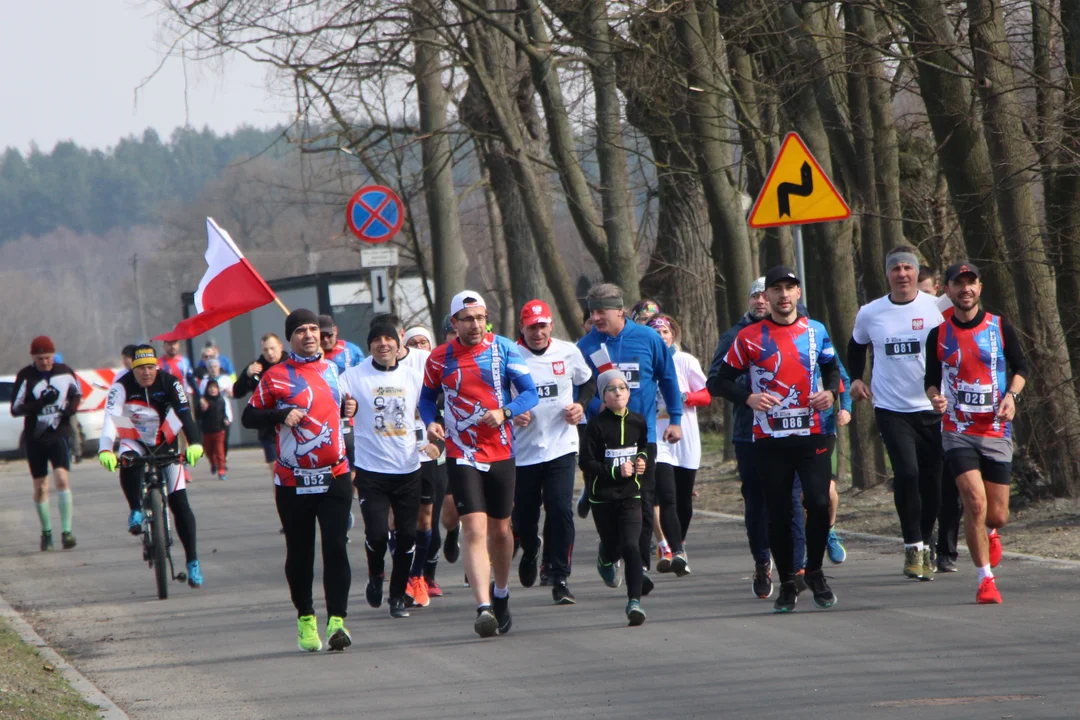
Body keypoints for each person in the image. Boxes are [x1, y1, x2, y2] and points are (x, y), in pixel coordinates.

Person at [712, 266, 842, 614]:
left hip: (813, 431)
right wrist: (749, 398)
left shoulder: (815, 331)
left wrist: (831, 393)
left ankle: (814, 571)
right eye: (776, 289)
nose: (783, 295)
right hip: (769, 438)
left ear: (798, 293)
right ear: (766, 296)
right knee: (779, 512)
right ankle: (786, 582)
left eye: (789, 288)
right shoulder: (749, 336)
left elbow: (832, 369)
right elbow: (719, 382)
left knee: (818, 502)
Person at [419, 291, 539, 637]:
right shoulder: (440, 358)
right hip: (462, 453)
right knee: (474, 529)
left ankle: (501, 592)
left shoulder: (504, 349)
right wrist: (431, 422)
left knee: (500, 531)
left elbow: (530, 393)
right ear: (454, 323)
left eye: (480, 318)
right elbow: (426, 398)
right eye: (468, 319)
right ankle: (483, 607)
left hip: (501, 451)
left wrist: (505, 412)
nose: (475, 325)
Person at [242, 309, 357, 652]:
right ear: (289, 338)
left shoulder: (334, 370)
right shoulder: (276, 376)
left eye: (313, 329)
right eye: (301, 330)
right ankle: (306, 617)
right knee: (300, 551)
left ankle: (337, 621)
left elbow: (337, 409)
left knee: (336, 546)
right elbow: (249, 416)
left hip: (335, 474)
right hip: (293, 480)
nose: (308, 335)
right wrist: (279, 413)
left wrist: (349, 408)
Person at [925, 262, 1027, 604]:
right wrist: (935, 398)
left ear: (979, 288)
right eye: (958, 283)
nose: (965, 289)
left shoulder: (999, 326)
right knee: (974, 502)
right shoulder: (938, 334)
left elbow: (1021, 368)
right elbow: (930, 380)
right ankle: (985, 580)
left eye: (971, 283)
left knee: (996, 514)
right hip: (957, 430)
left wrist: (1012, 396)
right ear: (948, 290)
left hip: (995, 429)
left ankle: (992, 531)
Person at [577, 284, 683, 592]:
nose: (595, 317)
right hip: (603, 441)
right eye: (592, 312)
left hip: (642, 437)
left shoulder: (647, 338)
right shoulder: (585, 346)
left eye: (602, 311)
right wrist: (593, 408)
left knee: (643, 502)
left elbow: (667, 377)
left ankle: (640, 567)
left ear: (620, 310)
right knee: (610, 511)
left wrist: (675, 419)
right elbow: (578, 391)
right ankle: (608, 554)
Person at [848, 247, 945, 581]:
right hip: (891, 408)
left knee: (932, 481)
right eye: (896, 269)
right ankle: (912, 547)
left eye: (908, 268)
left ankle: (927, 541)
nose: (902, 274)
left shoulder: (937, 307)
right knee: (907, 473)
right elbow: (856, 345)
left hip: (932, 407)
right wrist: (856, 378)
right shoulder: (871, 312)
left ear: (917, 273)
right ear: (887, 274)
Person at [97, 345, 205, 587]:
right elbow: (110, 419)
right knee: (127, 459)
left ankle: (193, 561)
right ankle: (135, 508)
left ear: (156, 367)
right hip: (134, 438)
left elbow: (185, 414)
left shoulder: (170, 382)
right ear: (132, 369)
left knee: (180, 503)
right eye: (140, 369)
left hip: (165, 440)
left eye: (150, 367)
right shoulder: (121, 386)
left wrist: (196, 443)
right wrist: (105, 449)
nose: (146, 373)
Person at [340, 323, 426, 618]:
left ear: (399, 345)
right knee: (377, 535)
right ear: (370, 346)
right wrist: (345, 407)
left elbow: (429, 410)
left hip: (408, 469)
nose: (383, 344)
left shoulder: (413, 377)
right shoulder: (354, 376)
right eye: (376, 339)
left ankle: (398, 596)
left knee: (407, 537)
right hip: (371, 470)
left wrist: (434, 437)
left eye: (389, 338)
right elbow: (335, 402)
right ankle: (376, 575)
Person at [511, 299, 595, 605]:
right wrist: (511, 412)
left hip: (561, 444)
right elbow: (495, 394)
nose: (537, 333)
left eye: (542, 326)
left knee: (560, 509)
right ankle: (531, 547)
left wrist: (580, 406)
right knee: (524, 516)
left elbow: (589, 382)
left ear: (551, 325)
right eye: (531, 327)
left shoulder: (567, 352)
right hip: (524, 449)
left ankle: (560, 577)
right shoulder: (510, 355)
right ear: (521, 328)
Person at [582, 370, 650, 626]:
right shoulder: (596, 426)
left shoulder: (638, 421)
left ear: (629, 393)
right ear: (604, 396)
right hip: (603, 497)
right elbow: (586, 462)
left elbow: (644, 446)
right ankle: (605, 557)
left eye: (622, 387)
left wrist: (641, 460)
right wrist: (614, 471)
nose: (618, 392)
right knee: (614, 548)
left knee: (631, 546)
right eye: (611, 389)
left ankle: (634, 602)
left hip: (631, 495)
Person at [645, 314, 709, 577]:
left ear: (673, 335)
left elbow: (706, 394)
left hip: (685, 436)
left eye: (665, 332)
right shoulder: (643, 362)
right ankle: (674, 549)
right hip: (658, 438)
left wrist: (685, 397)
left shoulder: (685, 361)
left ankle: (677, 542)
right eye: (655, 332)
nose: (661, 337)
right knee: (667, 496)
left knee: (684, 499)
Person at [11, 336, 82, 551]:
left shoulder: (64, 371)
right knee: (41, 487)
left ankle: (67, 532)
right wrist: (41, 402)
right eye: (40, 358)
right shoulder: (26, 376)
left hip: (59, 433)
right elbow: (15, 409)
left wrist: (70, 409)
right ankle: (46, 531)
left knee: (62, 479)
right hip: (35, 436)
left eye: (48, 357)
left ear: (54, 355)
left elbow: (77, 393)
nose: (45, 362)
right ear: (33, 357)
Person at [233, 333, 286, 476]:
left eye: (273, 348)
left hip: (289, 425)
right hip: (268, 428)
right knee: (276, 471)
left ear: (280, 347)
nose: (270, 353)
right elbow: (236, 392)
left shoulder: (291, 363)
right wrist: (247, 375)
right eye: (265, 350)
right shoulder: (257, 367)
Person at [199, 379, 232, 480]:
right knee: (209, 451)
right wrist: (202, 409)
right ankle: (213, 463)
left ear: (218, 389)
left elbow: (223, 413)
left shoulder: (221, 400)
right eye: (210, 388)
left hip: (219, 430)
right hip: (207, 431)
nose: (212, 390)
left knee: (220, 451)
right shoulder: (203, 400)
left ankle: (221, 470)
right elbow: (198, 416)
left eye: (214, 387)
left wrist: (226, 419)